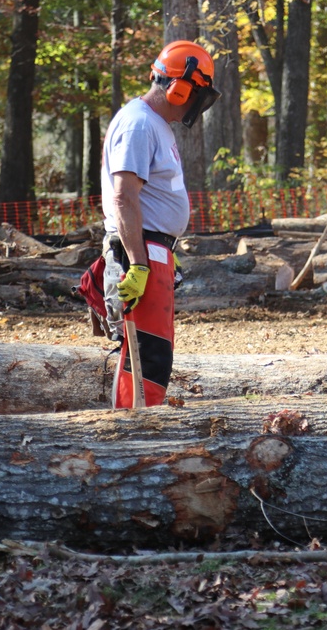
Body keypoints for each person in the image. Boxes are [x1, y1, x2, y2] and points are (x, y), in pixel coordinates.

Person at [100, 40, 220, 409]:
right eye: (196, 93)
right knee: (145, 355)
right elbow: (123, 198)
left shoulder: (155, 124)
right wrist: (137, 263)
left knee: (154, 352)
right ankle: (134, 437)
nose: (195, 103)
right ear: (180, 87)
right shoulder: (138, 125)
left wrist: (160, 252)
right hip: (141, 251)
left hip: (153, 249)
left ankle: (141, 430)